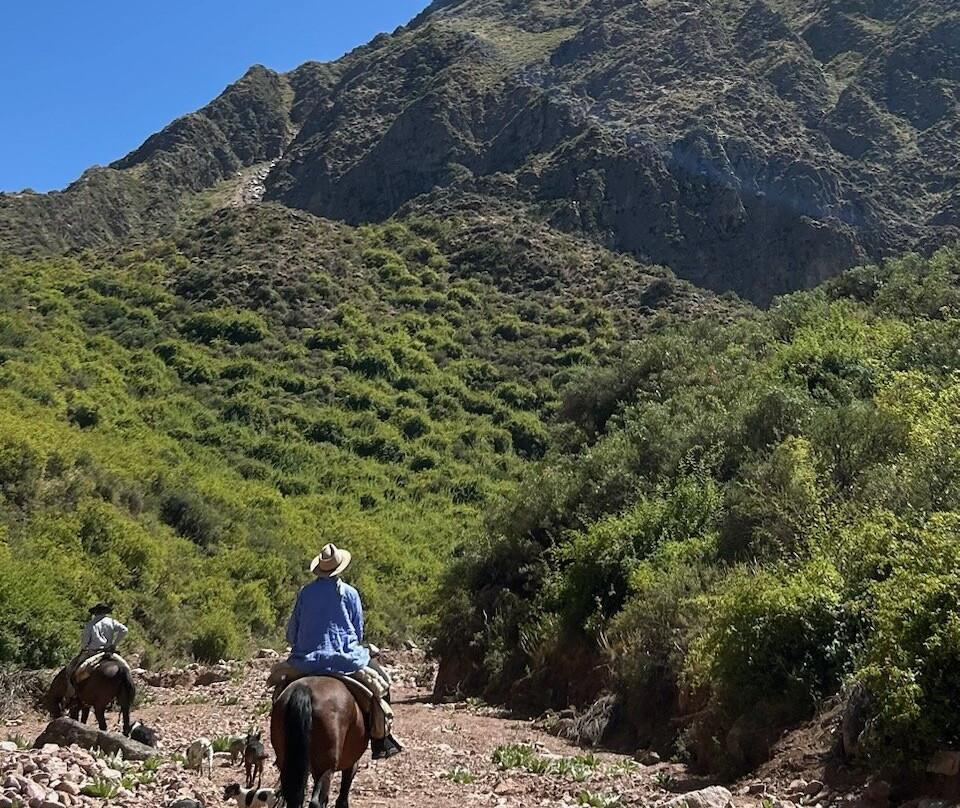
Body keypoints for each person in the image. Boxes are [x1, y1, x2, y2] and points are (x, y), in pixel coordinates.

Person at [283, 543, 402, 760]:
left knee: (280, 692)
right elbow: (357, 631)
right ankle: (381, 740)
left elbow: (292, 632)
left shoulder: (305, 593)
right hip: (344, 661)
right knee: (382, 683)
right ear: (340, 568)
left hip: (305, 661)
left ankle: (282, 745)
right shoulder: (350, 593)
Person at [63, 602, 128, 697]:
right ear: (105, 612)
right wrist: (114, 644)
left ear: (95, 612)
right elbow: (124, 630)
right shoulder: (111, 621)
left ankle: (73, 693)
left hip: (93, 652)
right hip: (109, 652)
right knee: (126, 668)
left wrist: (84, 647)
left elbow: (85, 641)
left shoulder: (91, 624)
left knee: (72, 669)